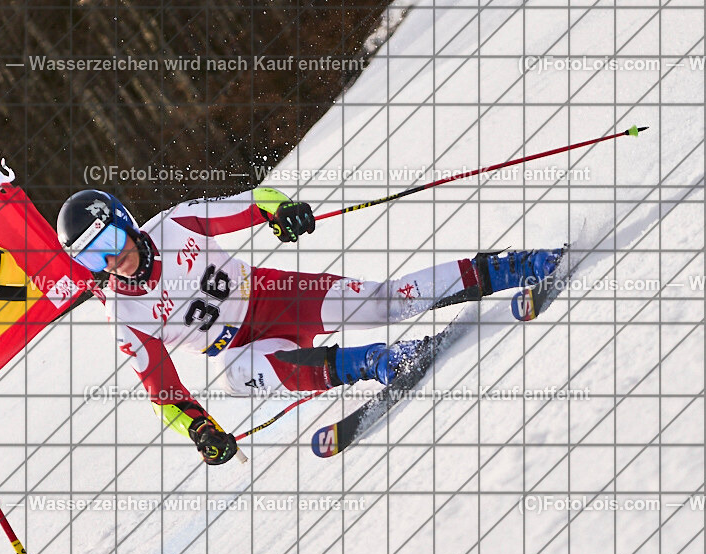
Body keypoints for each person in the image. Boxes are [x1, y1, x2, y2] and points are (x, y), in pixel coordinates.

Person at [57, 188, 562, 465]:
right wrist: (200, 429)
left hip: (277, 297)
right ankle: (377, 362)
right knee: (236, 375)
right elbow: (163, 393)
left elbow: (256, 200)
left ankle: (511, 268)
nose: (113, 260)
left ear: (126, 221)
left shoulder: (176, 223)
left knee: (385, 302)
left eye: (110, 242)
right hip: (243, 351)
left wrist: (283, 211)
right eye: (94, 258)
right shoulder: (124, 317)